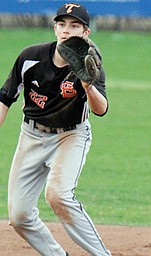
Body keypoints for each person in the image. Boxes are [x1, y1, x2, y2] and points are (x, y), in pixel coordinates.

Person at [0, 2, 112, 255]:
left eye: (74, 26)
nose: (66, 30)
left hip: (71, 136)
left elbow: (101, 109)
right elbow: (5, 98)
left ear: (86, 33)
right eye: (61, 24)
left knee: (58, 195)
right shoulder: (30, 57)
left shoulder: (90, 65)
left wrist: (87, 85)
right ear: (54, 28)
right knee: (19, 216)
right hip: (31, 135)